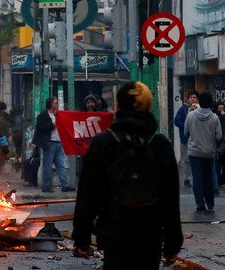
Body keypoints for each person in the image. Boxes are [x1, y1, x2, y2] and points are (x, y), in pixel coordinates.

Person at [72, 81, 182, 269]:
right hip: (150, 233)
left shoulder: (103, 143)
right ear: (148, 106)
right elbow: (170, 199)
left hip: (115, 231)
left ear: (118, 105)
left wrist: (81, 238)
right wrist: (172, 243)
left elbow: (87, 196)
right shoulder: (160, 144)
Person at [184, 91, 223, 212]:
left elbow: (186, 132)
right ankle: (210, 203)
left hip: (194, 152)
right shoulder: (215, 118)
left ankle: (200, 203)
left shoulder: (190, 116)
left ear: (199, 101)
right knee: (208, 178)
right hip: (209, 152)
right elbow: (219, 136)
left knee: (197, 178)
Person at [33, 96, 74, 193]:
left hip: (59, 142)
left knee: (61, 165)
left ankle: (65, 185)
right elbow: (40, 128)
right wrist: (52, 125)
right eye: (55, 103)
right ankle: (46, 186)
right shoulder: (43, 115)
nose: (57, 105)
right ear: (51, 104)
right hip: (49, 143)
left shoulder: (58, 115)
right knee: (47, 165)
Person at [174, 90, 198, 188]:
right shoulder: (183, 109)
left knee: (196, 159)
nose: (193, 99)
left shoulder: (200, 109)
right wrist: (185, 126)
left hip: (197, 138)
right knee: (186, 160)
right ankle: (186, 179)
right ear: (188, 98)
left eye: (195, 97)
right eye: (191, 97)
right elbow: (176, 121)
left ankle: (197, 178)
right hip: (185, 138)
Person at [215, 102, 225, 188]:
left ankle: (222, 177)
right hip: (218, 141)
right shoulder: (215, 117)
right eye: (220, 109)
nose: (221, 110)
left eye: (223, 108)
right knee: (218, 162)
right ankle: (219, 179)